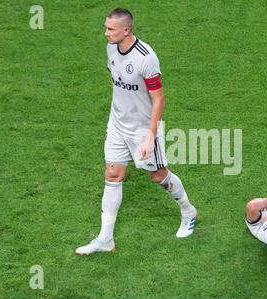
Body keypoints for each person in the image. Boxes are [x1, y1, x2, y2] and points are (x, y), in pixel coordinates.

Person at [76, 8, 197, 255]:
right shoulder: (111, 48)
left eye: (110, 29)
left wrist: (150, 134)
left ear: (126, 29)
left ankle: (188, 210)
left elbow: (159, 99)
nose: (105, 33)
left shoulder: (146, 57)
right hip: (117, 124)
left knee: (158, 176)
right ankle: (105, 238)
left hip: (143, 129)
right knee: (113, 174)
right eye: (105, 27)